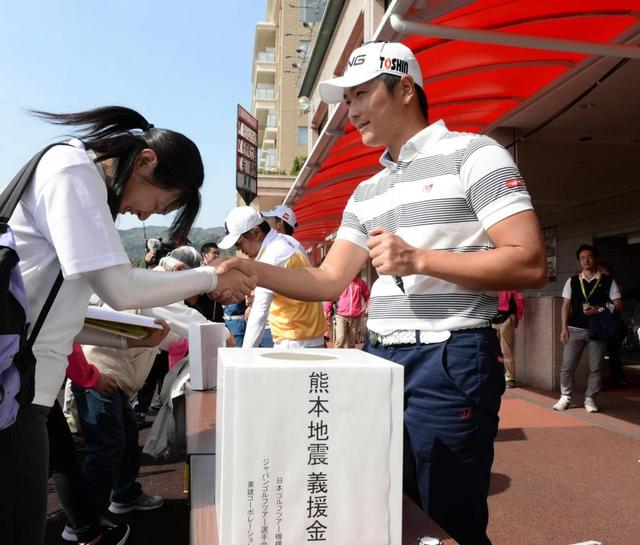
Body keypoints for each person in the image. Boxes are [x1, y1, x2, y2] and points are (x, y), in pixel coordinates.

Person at [218, 41, 546, 545]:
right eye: (347, 100)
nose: (350, 112)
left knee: (449, 521)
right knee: (387, 511)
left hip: (451, 355)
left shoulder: (475, 154)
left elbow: (528, 259)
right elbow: (328, 279)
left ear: (406, 88)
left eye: (361, 95)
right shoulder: (366, 191)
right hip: (380, 360)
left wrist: (419, 259)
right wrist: (252, 271)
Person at [5, 106, 255, 545]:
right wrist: (214, 277)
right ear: (144, 161)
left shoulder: (74, 173)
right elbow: (121, 287)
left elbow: (58, 311)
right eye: (157, 202)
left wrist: (124, 333)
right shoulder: (72, 170)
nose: (143, 215)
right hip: (17, 387)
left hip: (25, 384)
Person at [218, 206, 327, 348]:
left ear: (256, 232)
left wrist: (244, 354)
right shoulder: (289, 242)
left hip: (293, 341)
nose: (239, 250)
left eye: (239, 243)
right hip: (312, 336)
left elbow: (259, 312)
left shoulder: (271, 256)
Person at [555, 245, 623, 413]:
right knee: (567, 366)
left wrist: (600, 309)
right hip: (574, 328)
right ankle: (566, 397)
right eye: (583, 258)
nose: (586, 260)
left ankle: (590, 398)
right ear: (579, 261)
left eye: (590, 257)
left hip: (598, 330)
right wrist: (563, 328)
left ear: (595, 259)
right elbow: (565, 306)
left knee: (596, 367)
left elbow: (619, 304)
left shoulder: (607, 281)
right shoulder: (572, 281)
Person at [491, 290, 525, 388]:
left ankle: (509, 377)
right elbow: (520, 302)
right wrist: (517, 318)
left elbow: (519, 303)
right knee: (502, 350)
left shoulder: (492, 283)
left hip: (501, 317)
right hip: (500, 317)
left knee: (503, 350)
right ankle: (505, 376)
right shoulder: (512, 284)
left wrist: (517, 317)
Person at [334, 274, 370, 348]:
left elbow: (368, 296)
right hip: (341, 315)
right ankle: (337, 357)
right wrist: (326, 309)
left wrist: (368, 306)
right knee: (340, 339)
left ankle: (350, 359)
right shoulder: (341, 282)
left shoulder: (360, 283)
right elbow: (331, 295)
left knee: (352, 342)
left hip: (355, 317)